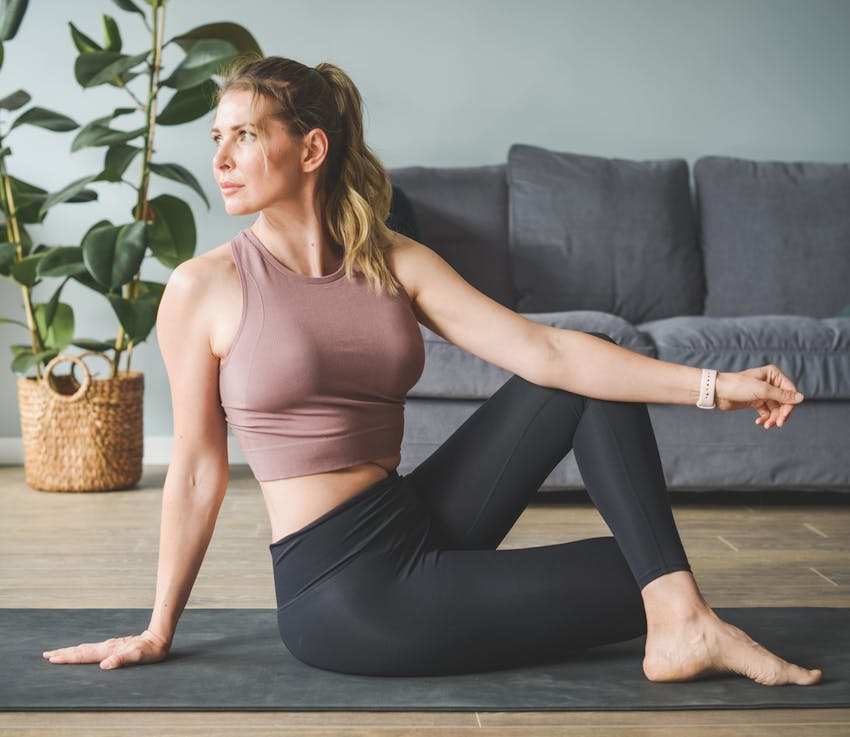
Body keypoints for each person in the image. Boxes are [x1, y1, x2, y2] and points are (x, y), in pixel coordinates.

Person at [42, 55, 822, 686]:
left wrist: (718, 387)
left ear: (309, 148)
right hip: (344, 590)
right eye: (219, 136)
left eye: (244, 135)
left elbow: (547, 351)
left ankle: (679, 623)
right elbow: (194, 471)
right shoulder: (205, 286)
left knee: (589, 395)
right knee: (649, 575)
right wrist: (158, 626)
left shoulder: (394, 260)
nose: (220, 157)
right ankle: (678, 620)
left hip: (413, 516)